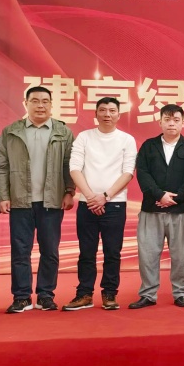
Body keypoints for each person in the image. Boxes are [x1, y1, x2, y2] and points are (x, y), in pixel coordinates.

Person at [0, 86, 75, 313]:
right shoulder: (11, 132)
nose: (40, 105)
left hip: (52, 200)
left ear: (51, 104)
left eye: (45, 101)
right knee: (20, 251)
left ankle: (45, 295)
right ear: (26, 103)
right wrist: (3, 195)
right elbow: (2, 166)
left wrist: (69, 191)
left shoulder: (63, 131)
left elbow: (70, 164)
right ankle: (21, 297)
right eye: (35, 101)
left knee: (50, 250)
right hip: (20, 200)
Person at [62, 97, 137, 311]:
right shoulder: (84, 137)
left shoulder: (126, 139)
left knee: (112, 252)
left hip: (115, 204)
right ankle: (84, 294)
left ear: (118, 115)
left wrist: (105, 196)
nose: (107, 114)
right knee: (87, 252)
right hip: (87, 204)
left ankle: (110, 293)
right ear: (95, 114)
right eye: (102, 110)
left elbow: (128, 172)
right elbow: (74, 168)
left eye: (112, 110)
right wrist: (90, 196)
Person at [130, 104, 184, 309]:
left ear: (183, 122)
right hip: (152, 209)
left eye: (176, 120)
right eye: (167, 120)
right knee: (148, 254)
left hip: (179, 210)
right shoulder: (148, 146)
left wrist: (175, 198)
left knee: (181, 255)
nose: (171, 124)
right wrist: (160, 195)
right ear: (160, 122)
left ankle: (180, 293)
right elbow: (142, 173)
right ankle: (148, 294)